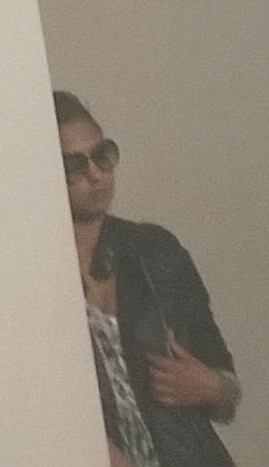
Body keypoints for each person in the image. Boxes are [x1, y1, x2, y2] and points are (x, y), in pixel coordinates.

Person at [57, 91, 240, 464]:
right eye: (75, 166)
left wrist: (209, 385)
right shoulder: (34, 274)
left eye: (103, 155)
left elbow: (228, 388)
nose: (96, 174)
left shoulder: (156, 250)